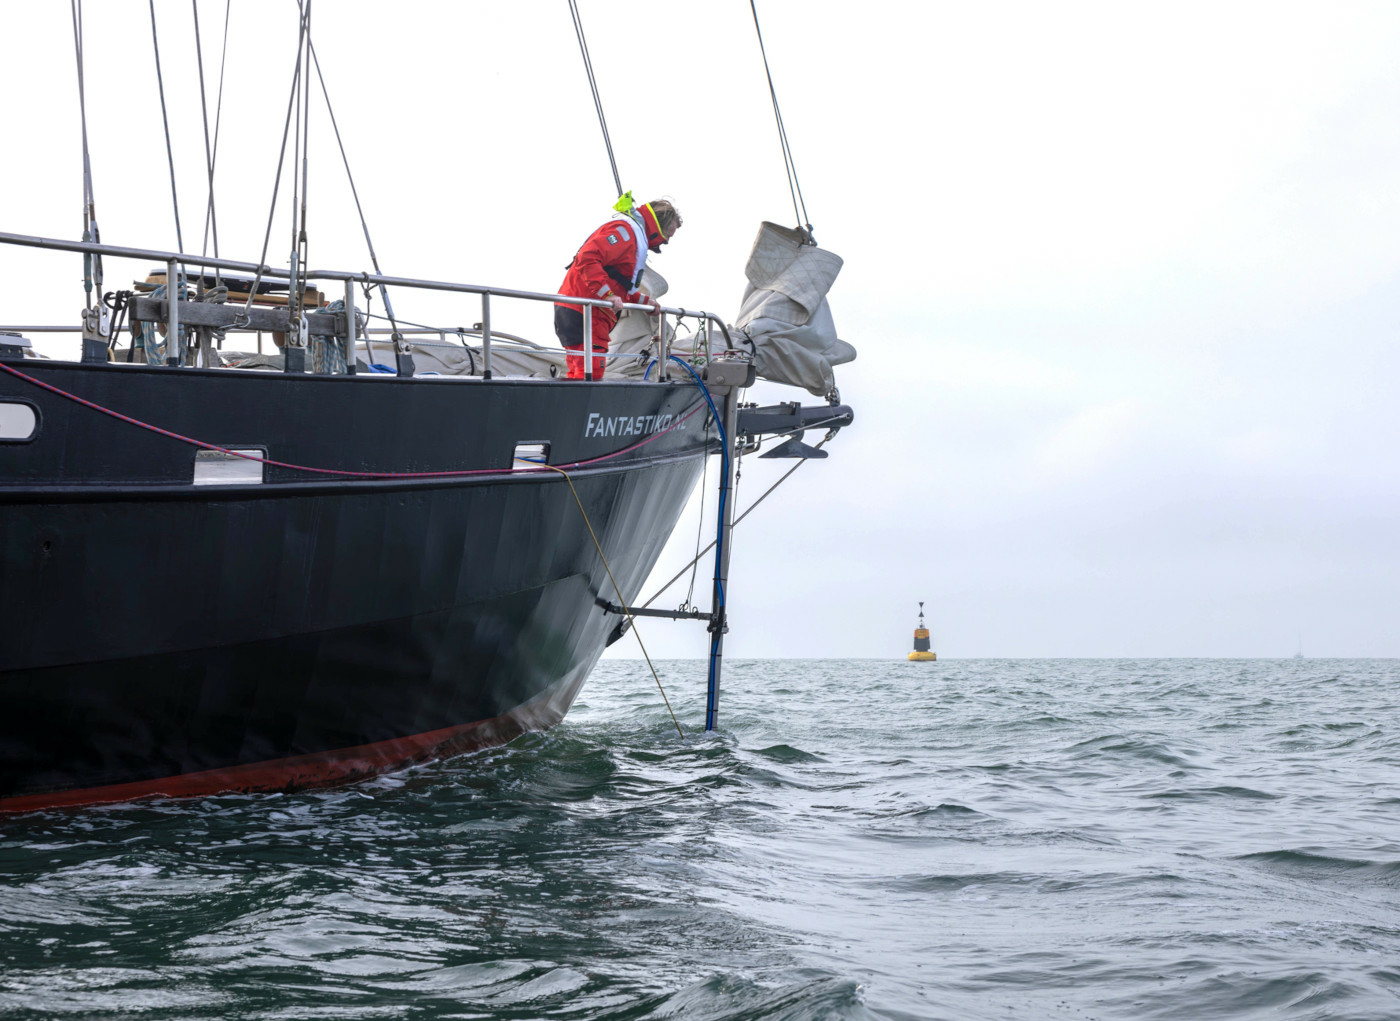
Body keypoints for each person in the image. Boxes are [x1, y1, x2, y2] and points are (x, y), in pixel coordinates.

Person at [555, 197, 682, 379]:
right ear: (658, 227)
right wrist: (607, 295)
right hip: (585, 313)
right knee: (590, 373)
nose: (667, 242)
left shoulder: (631, 238)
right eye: (668, 235)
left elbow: (622, 286)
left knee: (580, 372)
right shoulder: (624, 235)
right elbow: (587, 258)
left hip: (580, 310)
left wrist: (647, 303)